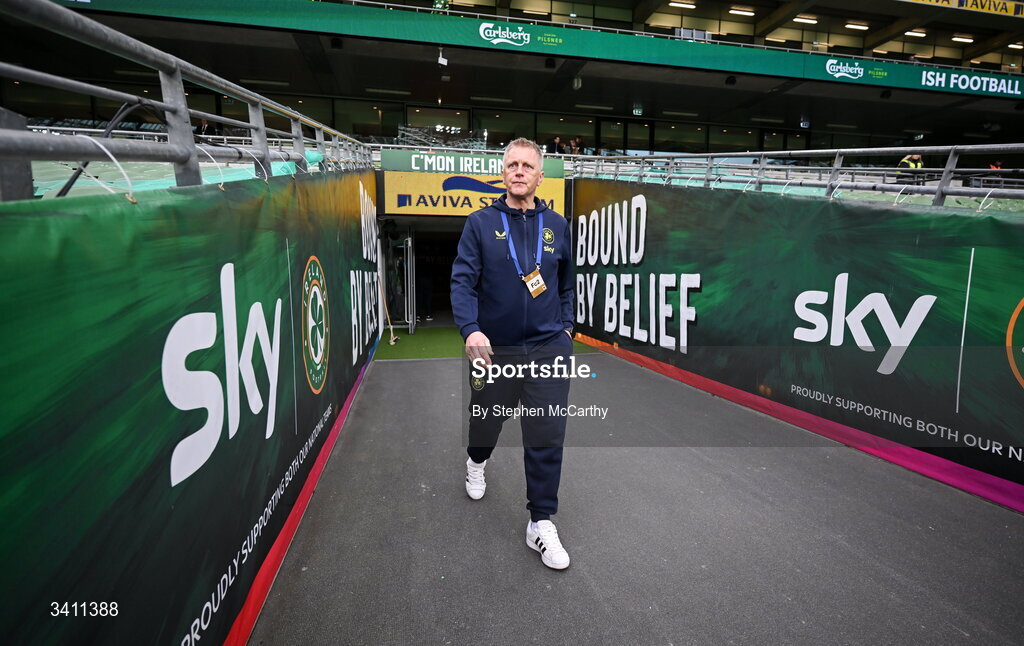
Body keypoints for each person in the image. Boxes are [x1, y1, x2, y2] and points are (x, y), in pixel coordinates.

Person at [450, 137, 575, 570]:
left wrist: (567, 328)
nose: (519, 171)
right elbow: (462, 281)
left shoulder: (557, 226)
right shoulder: (480, 223)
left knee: (546, 435)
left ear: (540, 175)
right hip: (494, 349)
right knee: (487, 420)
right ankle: (476, 460)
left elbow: (565, 285)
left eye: (527, 165)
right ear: (503, 174)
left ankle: (540, 522)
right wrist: (471, 329)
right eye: (511, 165)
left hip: (547, 347)